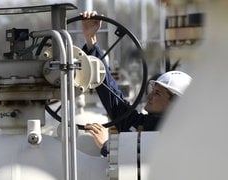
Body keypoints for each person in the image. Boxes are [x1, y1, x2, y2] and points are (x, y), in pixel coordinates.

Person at [81, 11, 192, 157]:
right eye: (153, 89)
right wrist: (91, 40)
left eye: (157, 93)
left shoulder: (173, 136)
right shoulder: (143, 123)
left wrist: (107, 145)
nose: (150, 95)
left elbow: (140, 165)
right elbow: (112, 96)